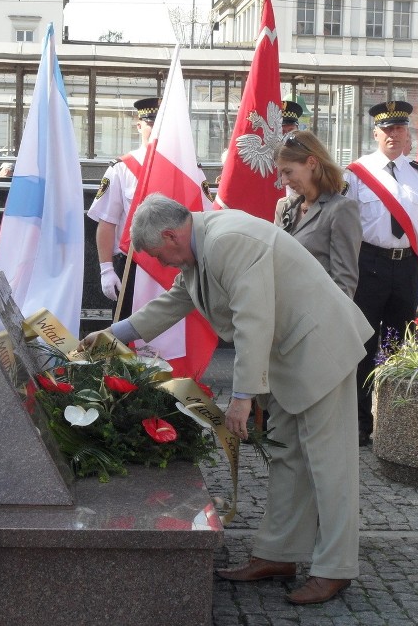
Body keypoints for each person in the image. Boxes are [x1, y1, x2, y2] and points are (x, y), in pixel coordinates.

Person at [78, 194, 374, 605]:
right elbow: (172, 302)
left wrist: (241, 397)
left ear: (170, 234)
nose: (161, 263)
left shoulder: (225, 240)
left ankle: (335, 569)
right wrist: (113, 336)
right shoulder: (199, 246)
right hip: (292, 355)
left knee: (329, 463)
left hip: (320, 349)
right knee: (290, 456)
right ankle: (278, 554)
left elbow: (253, 320)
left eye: (158, 254)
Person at [343, 100, 418, 447]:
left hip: (407, 266)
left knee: (401, 347)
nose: (393, 135)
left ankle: (397, 421)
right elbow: (344, 225)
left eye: (399, 128)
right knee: (365, 347)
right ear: (375, 134)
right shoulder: (355, 173)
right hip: (368, 264)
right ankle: (360, 423)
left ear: (406, 132)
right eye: (387, 130)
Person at [87, 97, 160, 316]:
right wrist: (106, 269)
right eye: (151, 123)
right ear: (139, 126)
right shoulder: (121, 168)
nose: (156, 130)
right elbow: (107, 222)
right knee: (127, 338)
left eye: (162, 124)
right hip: (132, 266)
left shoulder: (189, 169)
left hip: (176, 267)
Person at [273, 130, 361, 298]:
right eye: (281, 174)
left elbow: (344, 282)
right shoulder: (284, 207)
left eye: (288, 172)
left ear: (311, 162)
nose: (283, 181)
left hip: (317, 315)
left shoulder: (341, 209)